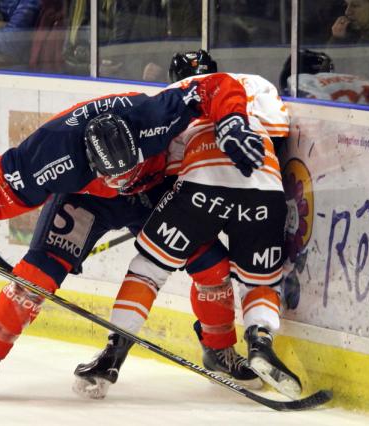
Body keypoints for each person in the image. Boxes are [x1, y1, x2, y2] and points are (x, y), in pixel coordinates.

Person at [0, 71, 267, 396]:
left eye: (128, 168)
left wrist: (231, 122)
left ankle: (219, 349)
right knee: (36, 276)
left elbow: (215, 86)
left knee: (211, 264)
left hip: (154, 191)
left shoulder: (151, 116)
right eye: (114, 176)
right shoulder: (56, 149)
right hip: (87, 200)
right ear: (90, 162)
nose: (122, 182)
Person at [73, 51, 301, 401]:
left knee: (149, 268)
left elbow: (169, 165)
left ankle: (113, 353)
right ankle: (259, 340)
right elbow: (279, 133)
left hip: (200, 187)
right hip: (265, 187)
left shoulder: (175, 96)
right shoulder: (257, 85)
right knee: (260, 280)